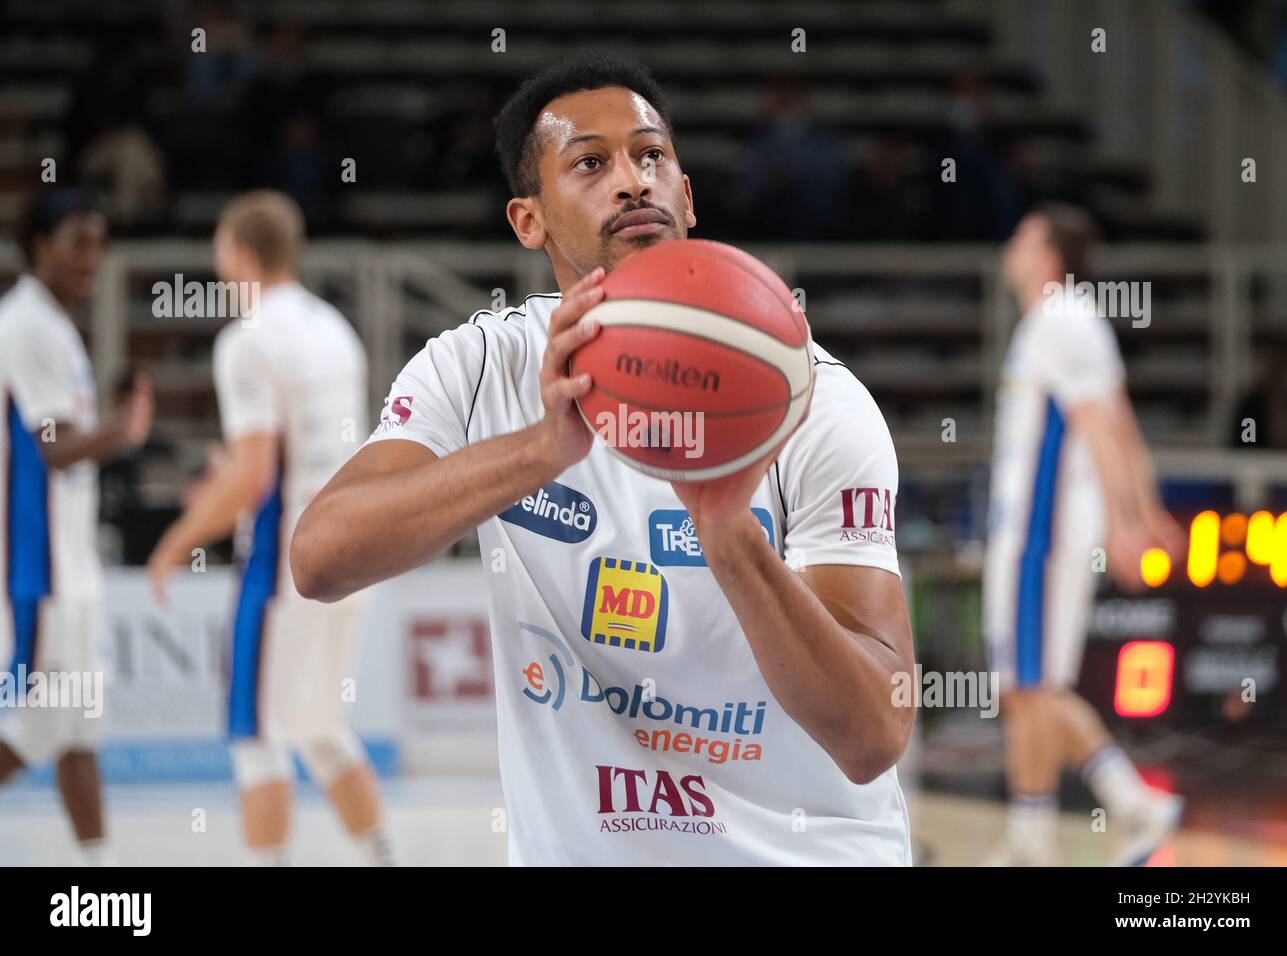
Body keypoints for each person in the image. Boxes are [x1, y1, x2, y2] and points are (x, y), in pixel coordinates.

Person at [291, 52, 915, 866]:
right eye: (590, 162)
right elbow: (321, 557)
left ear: (687, 196)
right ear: (528, 220)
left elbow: (873, 734)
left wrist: (729, 535)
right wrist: (542, 451)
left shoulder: (815, 400)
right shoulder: (479, 368)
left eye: (651, 155)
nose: (632, 181)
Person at [146, 191, 392, 866]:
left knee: (256, 733)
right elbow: (298, 452)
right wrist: (237, 480)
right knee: (319, 725)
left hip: (288, 557)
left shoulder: (247, 339)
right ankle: (382, 855)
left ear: (240, 253)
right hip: (354, 542)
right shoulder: (332, 327)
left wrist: (177, 540)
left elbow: (255, 476)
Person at [984, 203, 1186, 865]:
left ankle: (1105, 813)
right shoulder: (1069, 320)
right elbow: (1121, 418)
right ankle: (1061, 828)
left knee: (1033, 687)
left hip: (1041, 537)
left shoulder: (1060, 319)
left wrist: (1129, 523)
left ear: (1047, 256)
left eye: (1022, 235)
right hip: (1040, 535)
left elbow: (1100, 426)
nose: (1011, 243)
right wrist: (1146, 509)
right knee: (1025, 688)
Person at [0, 189, 154, 865]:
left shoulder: (55, 327)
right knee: (36, 728)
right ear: (41, 247)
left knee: (78, 729)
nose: (93, 258)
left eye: (99, 242)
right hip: (40, 567)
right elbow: (53, 447)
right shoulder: (26, 325)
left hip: (71, 564)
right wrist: (123, 430)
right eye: (79, 242)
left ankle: (99, 875)